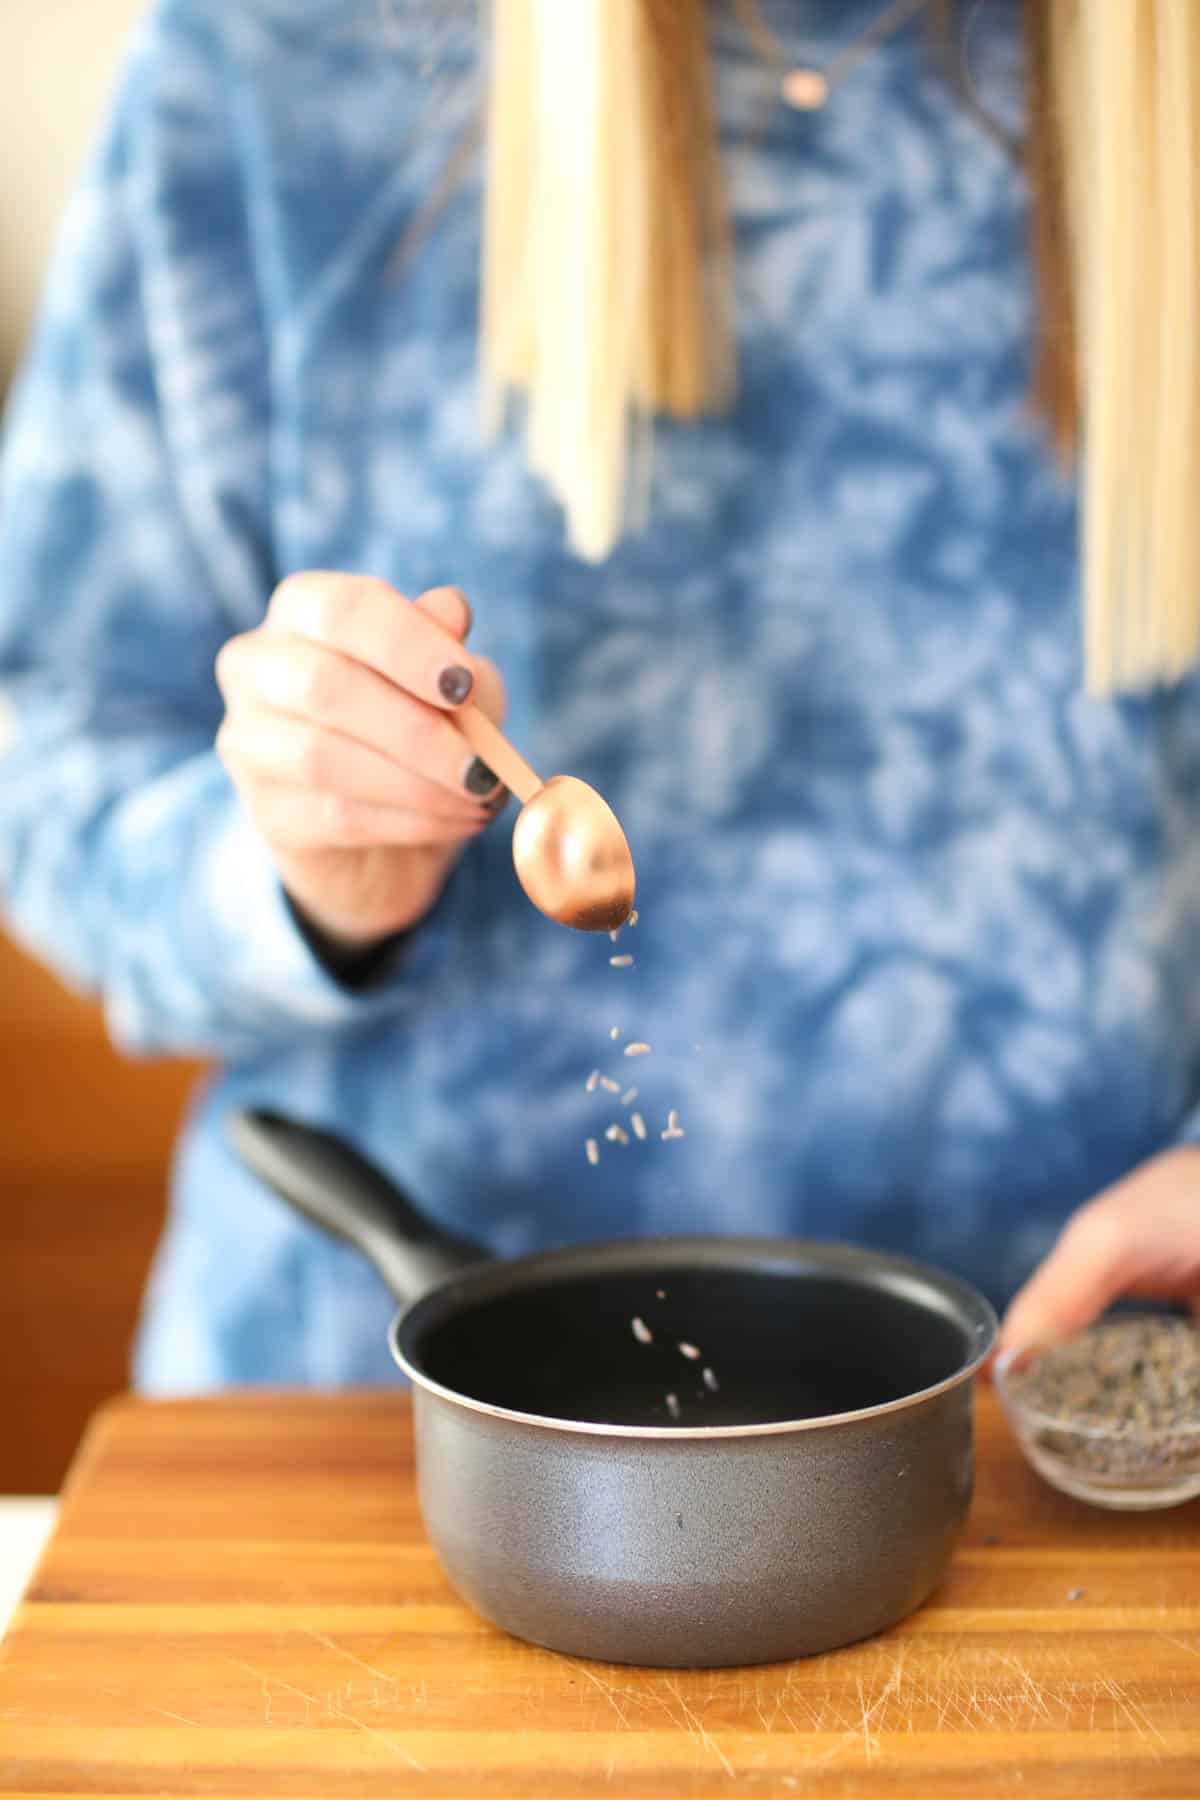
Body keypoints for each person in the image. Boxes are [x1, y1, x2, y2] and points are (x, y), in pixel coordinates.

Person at [0, 0, 1196, 1393]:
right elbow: (45, 750)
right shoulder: (288, 53)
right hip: (361, 1434)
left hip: (1077, 1421)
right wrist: (302, 882)